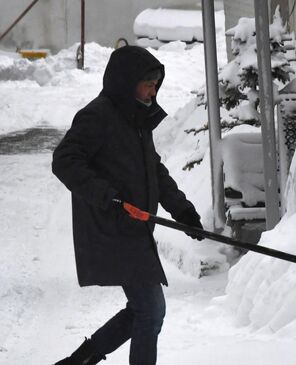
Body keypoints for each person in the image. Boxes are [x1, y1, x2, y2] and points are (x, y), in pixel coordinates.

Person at [52, 45, 204, 365]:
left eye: (156, 83)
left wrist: (184, 211)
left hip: (135, 227)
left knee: (143, 310)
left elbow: (154, 170)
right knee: (150, 310)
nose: (153, 89)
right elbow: (65, 161)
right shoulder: (99, 115)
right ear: (126, 81)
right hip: (114, 226)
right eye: (148, 82)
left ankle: (78, 360)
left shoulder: (136, 116)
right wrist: (109, 197)